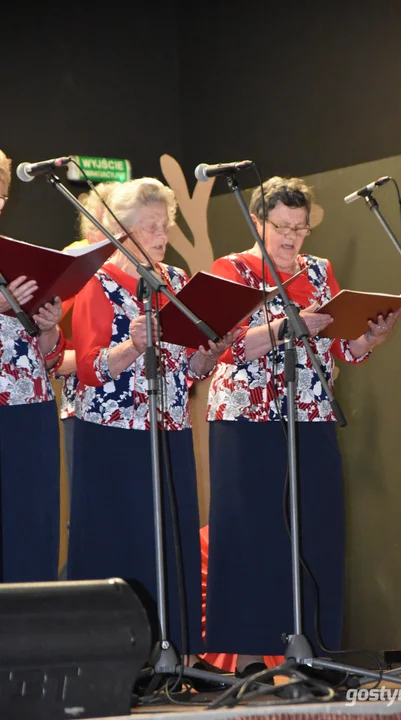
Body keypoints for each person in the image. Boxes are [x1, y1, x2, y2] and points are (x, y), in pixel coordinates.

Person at [204, 176, 401, 676]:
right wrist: (284, 327)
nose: (292, 237)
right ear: (258, 222)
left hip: (311, 413)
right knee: (251, 533)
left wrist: (371, 338)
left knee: (317, 528)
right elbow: (225, 346)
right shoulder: (232, 269)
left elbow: (341, 347)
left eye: (300, 228)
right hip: (247, 420)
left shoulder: (320, 271)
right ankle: (249, 659)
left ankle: (316, 651)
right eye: (281, 227)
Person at [67, 177, 233, 664]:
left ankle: (172, 654)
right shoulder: (94, 281)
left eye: (166, 225)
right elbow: (89, 367)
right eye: (150, 227)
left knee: (170, 538)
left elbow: (190, 370)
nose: (162, 236)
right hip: (112, 436)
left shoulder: (178, 281)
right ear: (121, 231)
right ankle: (115, 659)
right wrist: (134, 345)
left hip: (170, 429)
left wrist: (210, 355)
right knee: (119, 539)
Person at [0, 148, 63, 582]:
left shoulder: (12, 256)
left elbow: (51, 356)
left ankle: (28, 640)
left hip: (30, 407)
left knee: (30, 524)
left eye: (1, 194)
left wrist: (49, 329)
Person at [58, 181, 118, 492]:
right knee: (92, 503)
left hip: (144, 406)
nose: (102, 234)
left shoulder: (151, 273)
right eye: (95, 224)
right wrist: (88, 362)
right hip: (86, 406)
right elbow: (43, 344)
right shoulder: (74, 266)